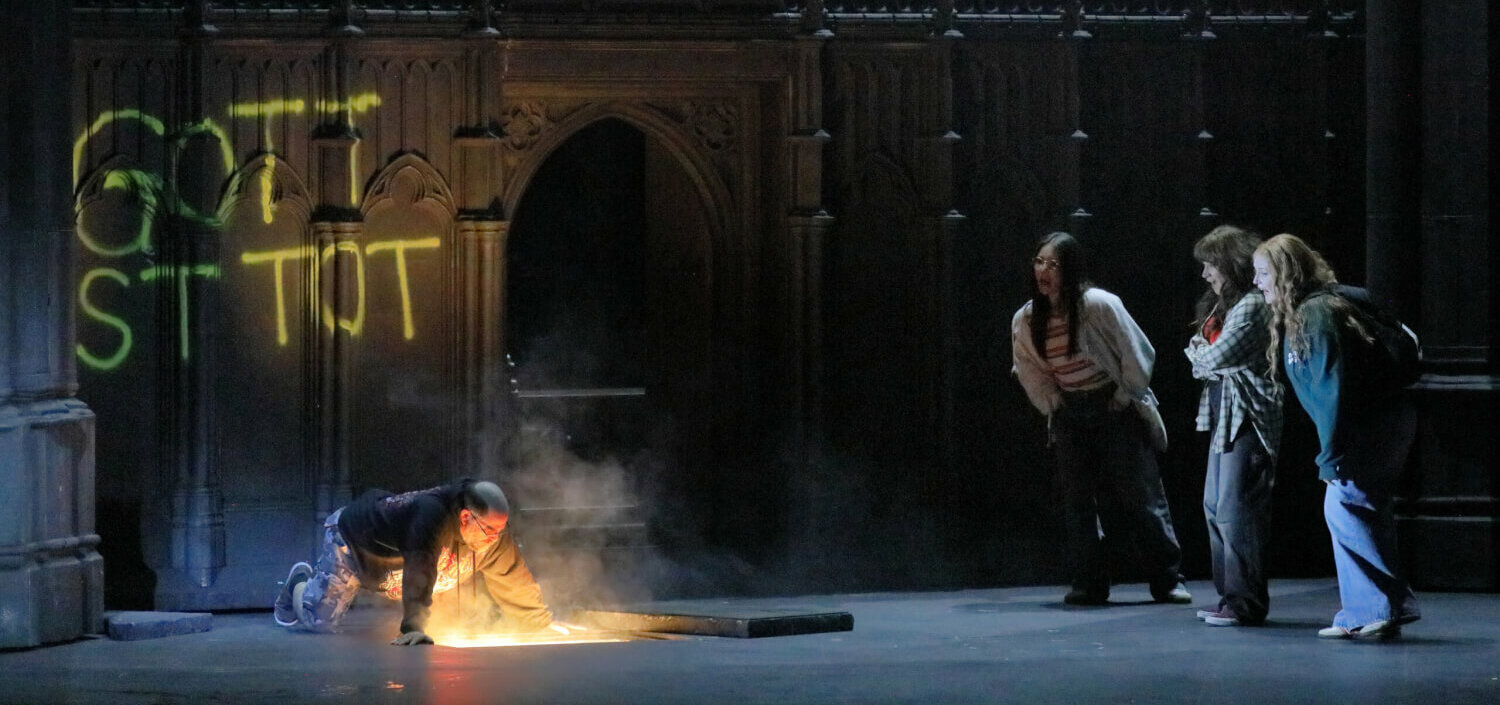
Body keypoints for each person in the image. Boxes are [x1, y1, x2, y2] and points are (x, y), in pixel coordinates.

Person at [1251, 233, 1420, 640]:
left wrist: (1331, 455)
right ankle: (1382, 606)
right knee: (1359, 509)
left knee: (1345, 507)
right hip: (1383, 421)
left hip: (1367, 427)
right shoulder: (1325, 307)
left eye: (1263, 274)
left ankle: (1373, 608)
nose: (1257, 283)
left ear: (1286, 274)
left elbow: (1332, 389)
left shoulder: (1316, 315)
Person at [1011, 231, 1191, 606]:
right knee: (1077, 503)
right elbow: (1029, 367)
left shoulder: (1098, 304)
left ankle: (1167, 578)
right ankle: (1089, 583)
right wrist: (1054, 404)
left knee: (1140, 496)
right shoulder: (1029, 317)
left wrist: (1124, 395)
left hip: (1113, 409)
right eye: (1039, 262)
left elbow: (1137, 350)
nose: (1044, 270)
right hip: (1070, 414)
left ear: (1070, 269)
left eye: (1054, 264)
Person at [273, 478, 554, 645]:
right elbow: (420, 568)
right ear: (466, 517)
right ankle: (298, 583)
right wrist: (414, 628)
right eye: (490, 531)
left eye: (500, 530)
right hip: (355, 544)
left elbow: (512, 573)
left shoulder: (489, 531)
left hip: (403, 560)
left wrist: (538, 622)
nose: (495, 537)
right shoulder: (430, 516)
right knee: (318, 620)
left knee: (486, 554)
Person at [1183, 225, 1282, 627]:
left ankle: (1245, 602)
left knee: (1235, 510)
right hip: (1224, 412)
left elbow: (1214, 358)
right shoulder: (1222, 305)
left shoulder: (1252, 305)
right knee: (1214, 507)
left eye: (1211, 265)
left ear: (1230, 264)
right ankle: (1230, 597)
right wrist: (1202, 355)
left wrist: (1201, 355)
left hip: (1248, 414)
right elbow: (1203, 353)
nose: (1206, 273)